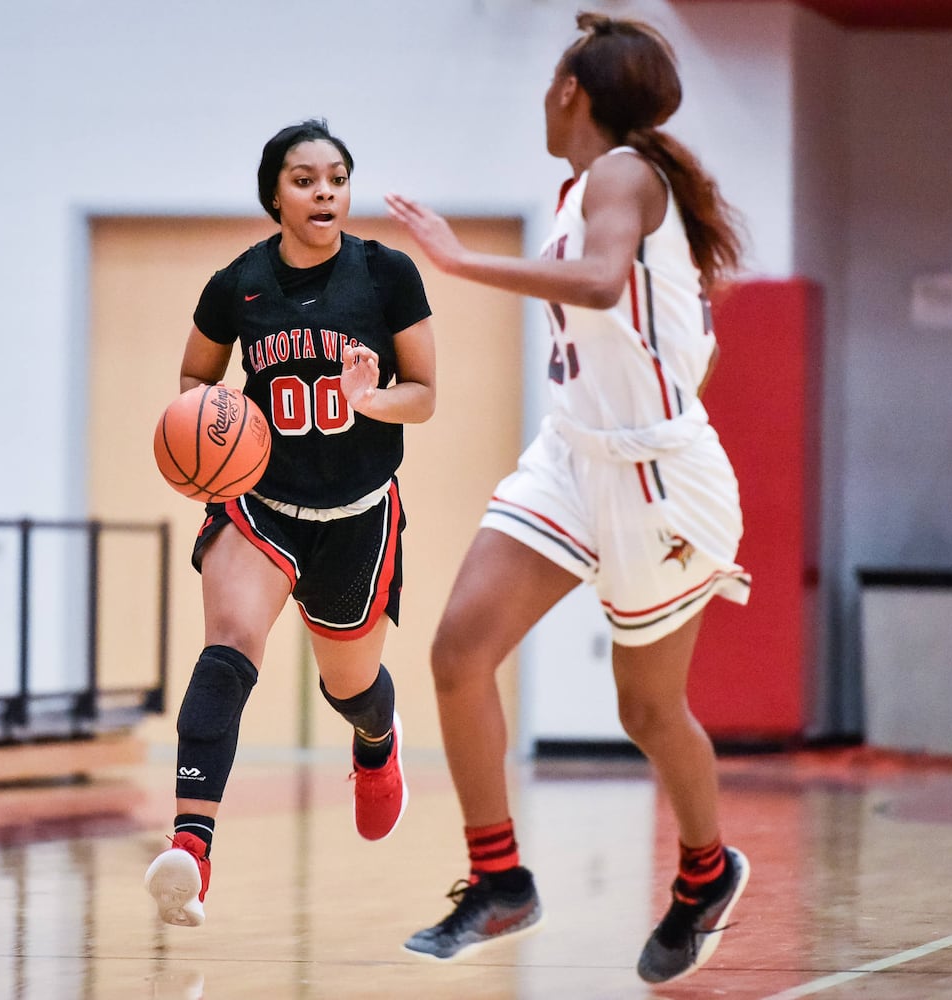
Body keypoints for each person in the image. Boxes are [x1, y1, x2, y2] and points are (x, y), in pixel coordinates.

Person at [385, 11, 751, 985]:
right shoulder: (584, 188)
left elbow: (595, 284)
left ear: (567, 91)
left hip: (655, 476)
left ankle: (704, 872)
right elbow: (682, 339)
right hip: (572, 452)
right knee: (459, 652)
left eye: (552, 80)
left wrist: (458, 262)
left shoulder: (625, 174)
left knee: (646, 708)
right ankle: (498, 877)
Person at [144, 119, 437, 928]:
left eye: (337, 179)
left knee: (349, 685)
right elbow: (195, 381)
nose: (324, 193)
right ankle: (192, 850)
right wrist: (209, 438)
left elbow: (424, 393)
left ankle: (376, 742)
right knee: (229, 646)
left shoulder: (387, 276)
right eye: (306, 180)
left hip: (358, 511)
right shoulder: (235, 284)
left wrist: (371, 400)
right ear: (274, 192)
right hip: (259, 504)